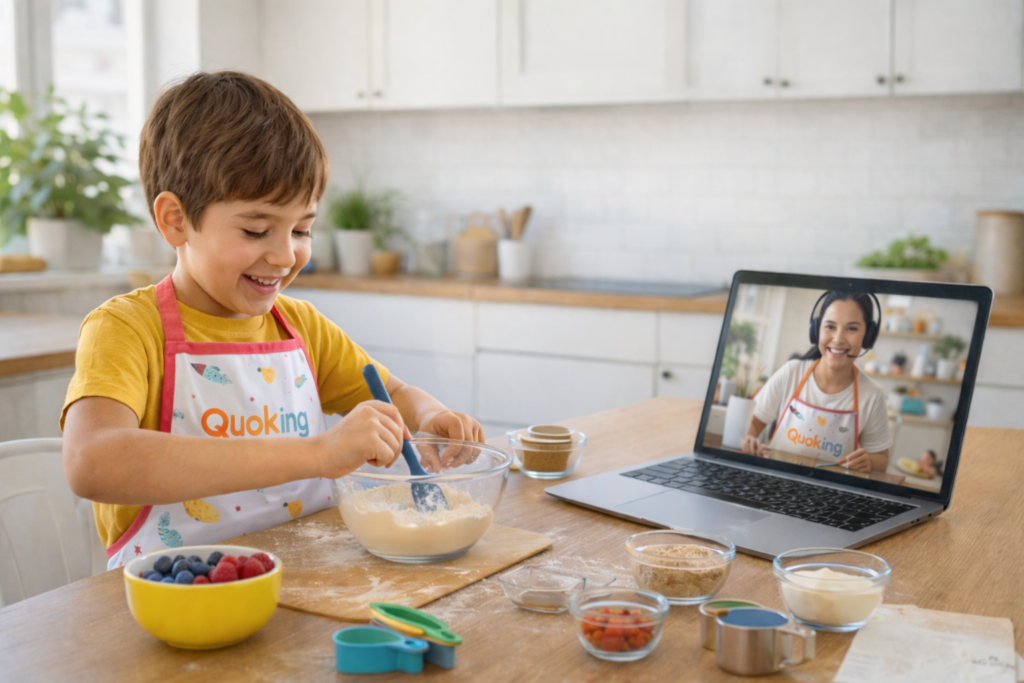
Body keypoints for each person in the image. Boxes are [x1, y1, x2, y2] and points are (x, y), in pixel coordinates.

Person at [61, 72, 484, 570]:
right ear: (175, 220)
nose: (285, 256)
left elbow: (393, 394)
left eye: (303, 228)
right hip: (177, 599)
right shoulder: (129, 329)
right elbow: (92, 462)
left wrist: (430, 414)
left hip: (309, 584)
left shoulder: (301, 326)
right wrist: (316, 453)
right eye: (257, 229)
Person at [739, 290, 891, 473]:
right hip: (776, 481)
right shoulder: (791, 372)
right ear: (816, 329)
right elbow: (755, 423)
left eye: (851, 328)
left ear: (868, 336)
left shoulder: (873, 395)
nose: (838, 339)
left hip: (832, 493)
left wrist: (870, 462)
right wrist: (749, 440)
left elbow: (881, 459)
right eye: (830, 326)